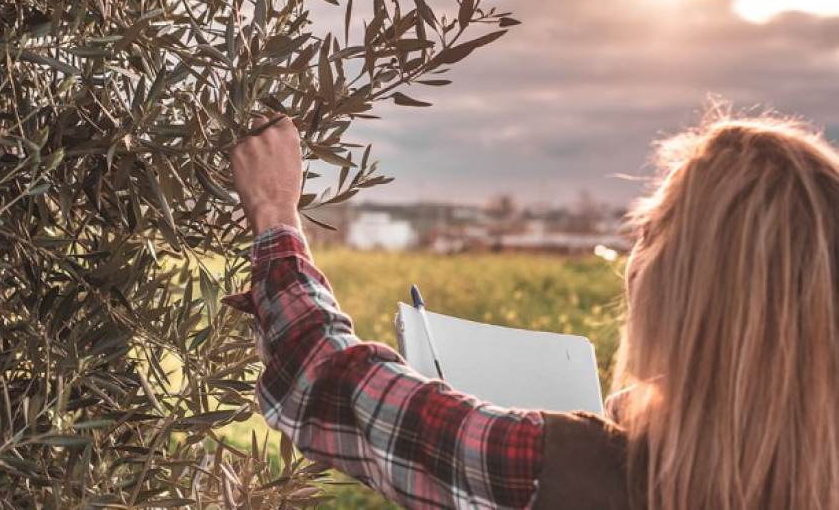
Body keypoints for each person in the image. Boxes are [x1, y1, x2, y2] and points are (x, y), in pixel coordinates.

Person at [226, 113, 839, 509]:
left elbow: (331, 386)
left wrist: (276, 215)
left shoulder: (575, 474)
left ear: (683, 294)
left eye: (649, 235)